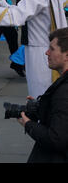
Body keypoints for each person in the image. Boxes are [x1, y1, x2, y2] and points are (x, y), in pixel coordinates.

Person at [17, 27, 68, 163]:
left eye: (52, 49)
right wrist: (43, 107)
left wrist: (28, 124)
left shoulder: (64, 91)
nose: (46, 53)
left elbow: (56, 139)